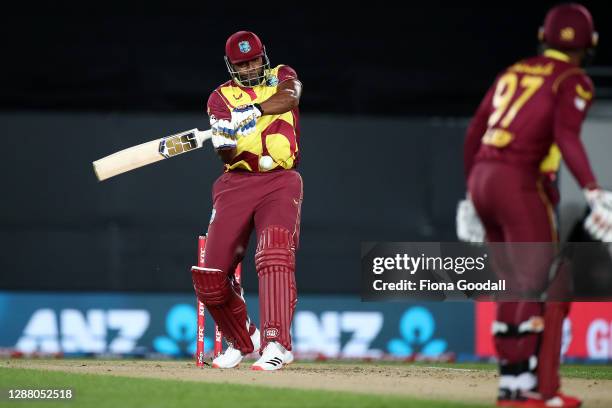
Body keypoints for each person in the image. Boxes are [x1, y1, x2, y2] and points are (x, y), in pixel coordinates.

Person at [458, 3, 612, 407]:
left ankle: (515, 384)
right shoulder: (573, 79)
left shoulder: (514, 70)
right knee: (540, 282)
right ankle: (528, 387)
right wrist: (593, 190)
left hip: (484, 177)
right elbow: (567, 136)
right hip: (520, 181)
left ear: (544, 37)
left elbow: (475, 132)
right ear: (589, 44)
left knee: (514, 283)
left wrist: (471, 195)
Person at [191, 31, 303, 371]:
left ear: (263, 56)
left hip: (280, 181)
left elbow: (291, 97)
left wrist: (253, 109)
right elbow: (224, 151)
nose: (251, 67)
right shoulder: (219, 99)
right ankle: (245, 339)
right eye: (242, 63)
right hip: (236, 182)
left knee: (274, 253)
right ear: (231, 66)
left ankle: (276, 344)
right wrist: (225, 136)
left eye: (254, 59)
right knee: (210, 276)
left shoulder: (281, 76)